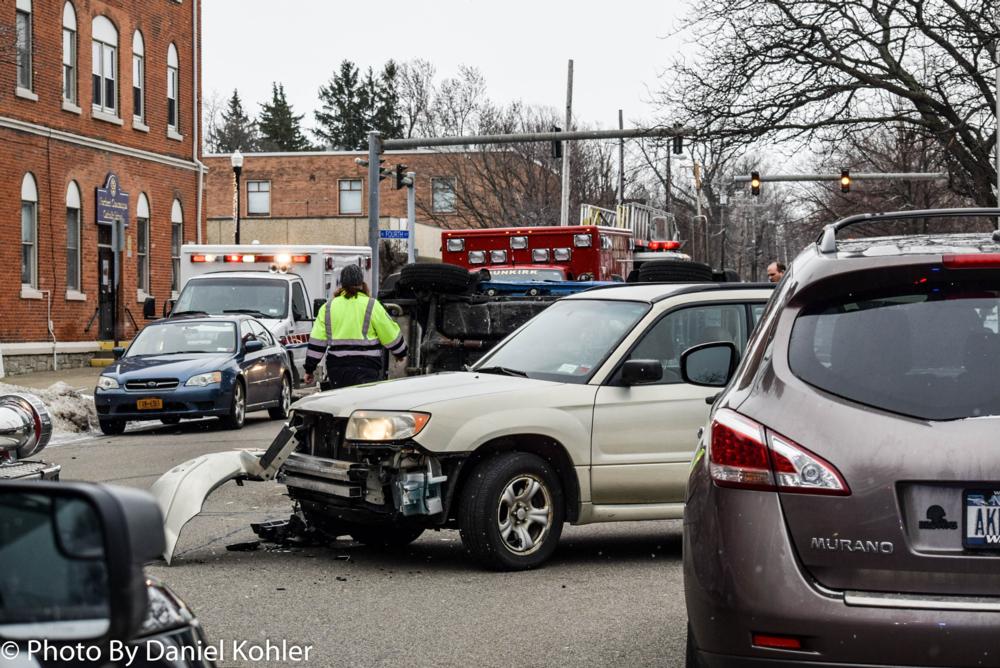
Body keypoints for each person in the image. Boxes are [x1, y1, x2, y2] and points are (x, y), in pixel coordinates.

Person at [302, 264, 407, 389]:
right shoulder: (372, 305)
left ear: (342, 284)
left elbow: (317, 343)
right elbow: (390, 335)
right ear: (361, 283)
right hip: (366, 368)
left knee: (341, 404)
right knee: (364, 404)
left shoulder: (328, 308)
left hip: (337, 370)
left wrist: (309, 369)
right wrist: (400, 353)